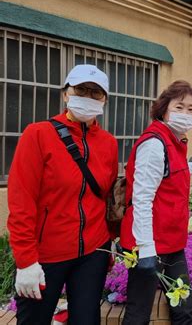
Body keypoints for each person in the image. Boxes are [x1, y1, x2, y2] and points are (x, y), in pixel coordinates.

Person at [8, 64, 118, 325]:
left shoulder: (109, 143)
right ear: (66, 94)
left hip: (93, 251)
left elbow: (108, 199)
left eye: (96, 93)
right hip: (45, 255)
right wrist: (26, 261)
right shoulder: (38, 135)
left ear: (104, 100)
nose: (88, 97)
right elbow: (21, 201)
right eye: (81, 90)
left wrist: (110, 243)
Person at [120, 80, 192, 325]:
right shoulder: (154, 143)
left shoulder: (174, 141)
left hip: (172, 243)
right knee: (139, 313)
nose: (186, 114)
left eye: (191, 109)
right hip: (148, 244)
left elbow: (172, 172)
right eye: (179, 107)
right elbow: (141, 199)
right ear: (164, 109)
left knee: (183, 307)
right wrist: (147, 250)